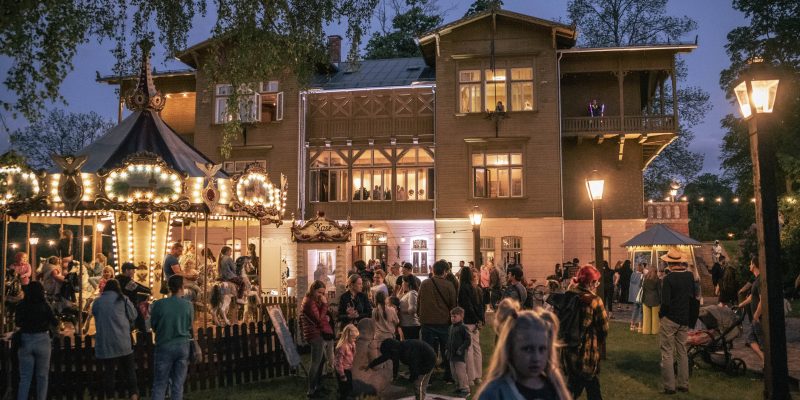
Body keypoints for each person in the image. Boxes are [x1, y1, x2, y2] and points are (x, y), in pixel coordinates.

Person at [476, 309, 572, 400]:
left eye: (542, 349)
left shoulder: (554, 386)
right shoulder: (495, 393)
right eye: (528, 349)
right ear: (510, 349)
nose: (536, 358)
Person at [562, 265, 608, 400]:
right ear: (591, 282)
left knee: (578, 384)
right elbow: (604, 328)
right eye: (596, 282)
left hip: (569, 349)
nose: (596, 285)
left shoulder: (569, 295)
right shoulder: (594, 300)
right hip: (587, 351)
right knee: (587, 384)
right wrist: (599, 341)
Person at [658, 249, 698, 394]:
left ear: (669, 263)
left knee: (667, 352)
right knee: (682, 351)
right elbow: (693, 296)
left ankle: (670, 386)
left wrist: (661, 315)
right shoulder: (689, 276)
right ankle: (683, 384)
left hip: (670, 318)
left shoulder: (668, 279)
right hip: (684, 317)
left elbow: (665, 302)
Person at [92, 279, 139, 400]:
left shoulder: (97, 302)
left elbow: (95, 314)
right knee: (129, 370)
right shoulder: (124, 299)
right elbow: (133, 315)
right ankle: (133, 395)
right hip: (123, 341)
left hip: (106, 342)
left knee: (109, 373)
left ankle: (110, 397)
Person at [150, 275, 194, 400]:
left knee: (160, 383)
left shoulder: (159, 304)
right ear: (182, 287)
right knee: (178, 384)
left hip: (164, 344)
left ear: (169, 288)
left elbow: (154, 325)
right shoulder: (188, 305)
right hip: (183, 345)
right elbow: (189, 325)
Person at [15, 281, 58, 400]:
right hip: (42, 338)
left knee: (25, 377)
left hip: (26, 338)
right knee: (42, 376)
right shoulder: (45, 305)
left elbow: (18, 322)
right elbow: (54, 321)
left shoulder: (21, 305)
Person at [418, 259, 457, 383]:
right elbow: (453, 304)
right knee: (446, 349)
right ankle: (448, 376)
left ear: (434, 270)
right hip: (443, 322)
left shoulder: (424, 284)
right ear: (445, 271)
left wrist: (420, 315)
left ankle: (427, 378)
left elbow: (419, 301)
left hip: (427, 321)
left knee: (427, 350)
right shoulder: (449, 285)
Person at [365, 339, 436, 400]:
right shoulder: (397, 349)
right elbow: (385, 358)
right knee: (418, 383)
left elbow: (414, 366)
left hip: (428, 362)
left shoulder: (407, 351)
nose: (390, 356)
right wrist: (371, 365)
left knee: (418, 384)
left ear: (392, 350)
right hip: (420, 360)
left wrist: (412, 378)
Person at [302, 280, 334, 398]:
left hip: (316, 332)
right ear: (313, 290)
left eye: (323, 293)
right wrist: (325, 305)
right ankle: (311, 390)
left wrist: (323, 303)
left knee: (322, 359)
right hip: (314, 334)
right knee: (316, 362)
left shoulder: (313, 300)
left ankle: (317, 385)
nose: (321, 295)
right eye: (319, 292)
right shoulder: (309, 302)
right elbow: (319, 319)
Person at [457, 266, 484, 385]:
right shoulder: (477, 289)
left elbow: (467, 306)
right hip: (475, 322)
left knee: (468, 349)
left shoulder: (463, 288)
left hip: (467, 320)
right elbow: (480, 306)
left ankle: (471, 377)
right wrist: (480, 320)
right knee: (476, 348)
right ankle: (478, 376)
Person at [738, 257, 764, 362]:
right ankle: (764, 360)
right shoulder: (756, 280)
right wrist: (741, 304)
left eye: (750, 263)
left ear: (754, 265)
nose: (749, 265)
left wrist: (756, 316)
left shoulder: (760, 281)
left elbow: (762, 301)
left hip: (759, 318)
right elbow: (752, 296)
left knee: (762, 343)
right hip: (756, 317)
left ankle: (767, 363)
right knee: (750, 339)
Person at [116, 262, 152, 332]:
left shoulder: (120, 279)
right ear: (127, 270)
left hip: (122, 304)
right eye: (132, 270)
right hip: (129, 305)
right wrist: (149, 291)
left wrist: (148, 289)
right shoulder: (124, 281)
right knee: (141, 322)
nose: (134, 272)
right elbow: (137, 287)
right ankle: (143, 337)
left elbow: (136, 284)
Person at [447, 307, 471, 397]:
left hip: (459, 355)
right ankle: (458, 387)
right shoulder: (451, 327)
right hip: (452, 355)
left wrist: (461, 349)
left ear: (461, 316)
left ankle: (465, 389)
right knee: (454, 373)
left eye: (455, 316)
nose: (452, 318)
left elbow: (468, 340)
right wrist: (447, 349)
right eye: (451, 316)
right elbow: (449, 340)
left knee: (461, 372)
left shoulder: (463, 328)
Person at [335, 324, 359, 400]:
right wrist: (342, 375)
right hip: (342, 370)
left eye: (355, 338)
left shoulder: (351, 343)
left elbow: (353, 355)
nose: (355, 340)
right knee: (344, 388)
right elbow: (338, 362)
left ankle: (347, 395)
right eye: (353, 338)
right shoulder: (342, 347)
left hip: (348, 369)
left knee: (349, 386)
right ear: (347, 336)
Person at [641, 266, 662, 335]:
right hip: (655, 300)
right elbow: (659, 291)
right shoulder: (657, 280)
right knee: (655, 317)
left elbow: (643, 290)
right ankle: (655, 331)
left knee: (646, 317)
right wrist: (661, 300)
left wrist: (642, 299)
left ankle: (646, 331)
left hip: (646, 299)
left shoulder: (645, 279)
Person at [399, 275, 421, 340]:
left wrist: (401, 310)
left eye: (403, 282)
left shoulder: (412, 293)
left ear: (407, 283)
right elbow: (397, 298)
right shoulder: (408, 293)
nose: (402, 284)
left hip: (411, 325)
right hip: (406, 324)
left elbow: (413, 310)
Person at [629, 263, 644, 331]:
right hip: (640, 295)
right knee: (640, 310)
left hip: (634, 295)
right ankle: (640, 326)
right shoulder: (642, 275)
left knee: (634, 310)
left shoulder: (632, 274)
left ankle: (632, 325)